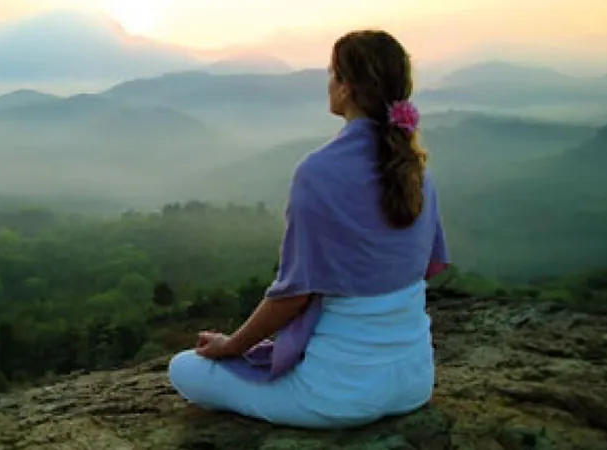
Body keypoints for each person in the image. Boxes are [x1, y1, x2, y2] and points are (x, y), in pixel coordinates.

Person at [168, 29, 449, 429]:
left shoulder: (318, 172)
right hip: (415, 383)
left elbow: (293, 296)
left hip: (339, 396)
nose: (329, 83)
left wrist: (232, 345)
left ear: (348, 89)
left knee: (185, 369)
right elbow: (424, 266)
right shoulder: (417, 172)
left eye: (333, 74)